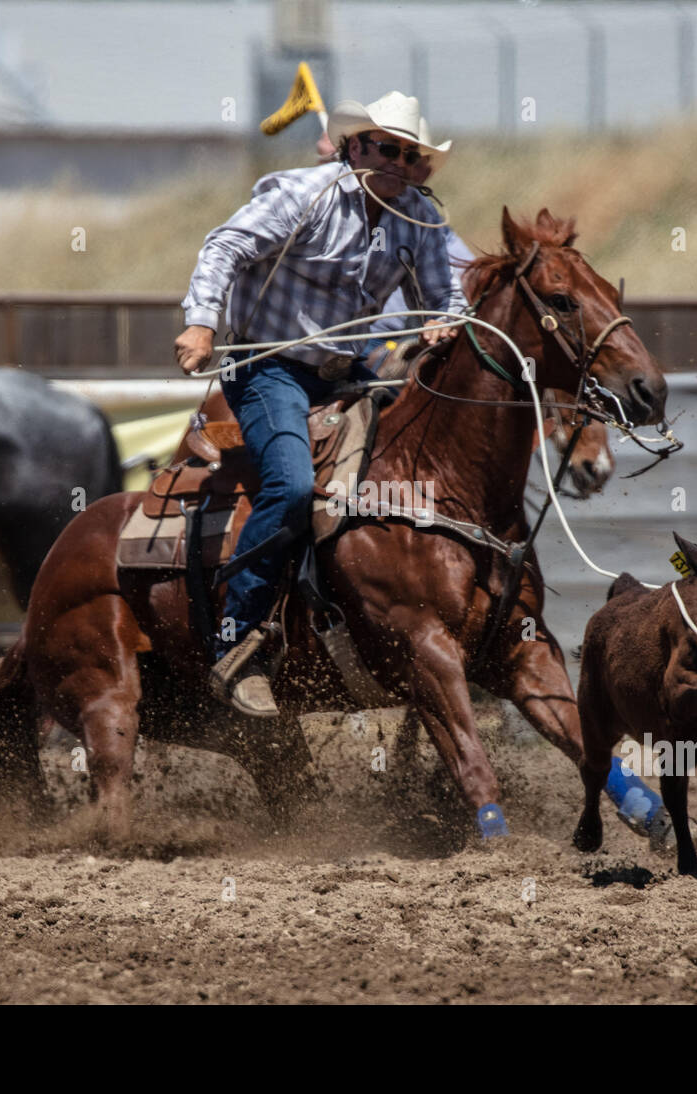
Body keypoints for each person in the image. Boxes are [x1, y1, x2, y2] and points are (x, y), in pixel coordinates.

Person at [176, 91, 467, 718]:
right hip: (268, 366)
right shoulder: (303, 195)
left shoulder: (419, 220)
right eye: (386, 148)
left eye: (409, 154)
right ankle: (237, 640)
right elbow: (224, 246)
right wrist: (201, 324)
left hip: (346, 370)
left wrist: (446, 324)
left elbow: (447, 298)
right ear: (355, 145)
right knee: (291, 486)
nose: (397, 162)